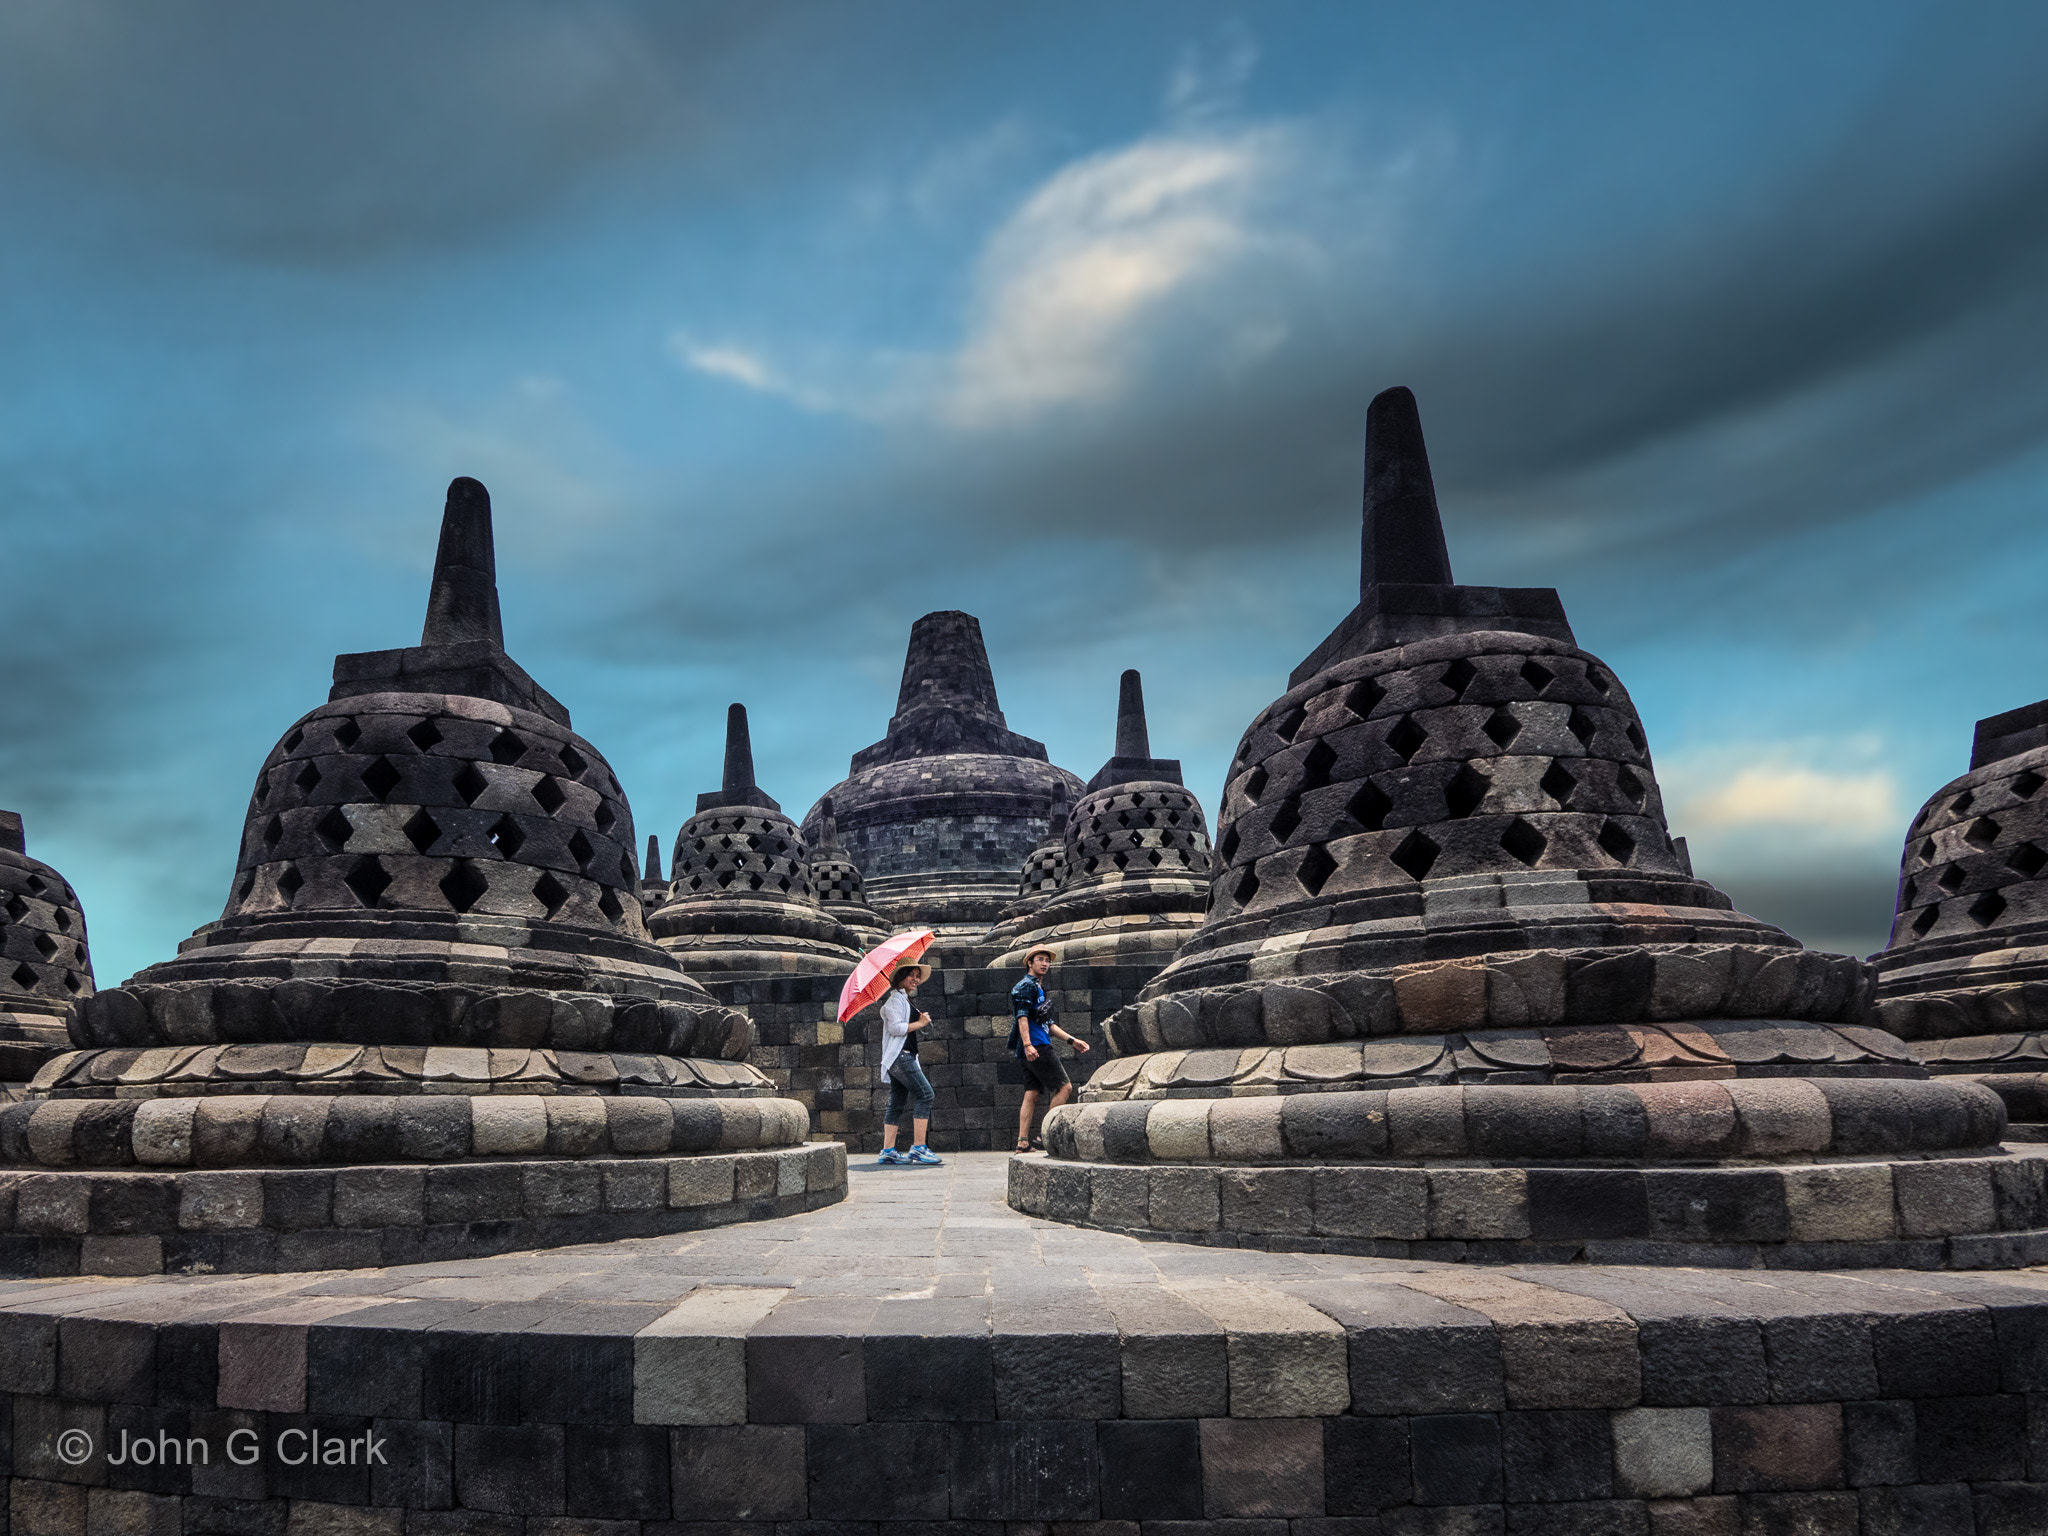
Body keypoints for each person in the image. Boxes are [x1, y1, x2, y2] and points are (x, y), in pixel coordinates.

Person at [1010, 944, 1089, 1152]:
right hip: (1036, 1046)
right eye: (1040, 960)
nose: (1045, 964)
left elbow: (1048, 1024)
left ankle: (1023, 1141)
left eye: (1047, 960)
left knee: (1032, 1092)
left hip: (1032, 1046)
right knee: (1065, 1087)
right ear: (1030, 962)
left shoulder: (1037, 988)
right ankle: (1044, 1136)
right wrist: (1028, 1044)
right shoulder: (1026, 986)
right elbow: (1022, 1016)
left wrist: (1072, 1040)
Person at [877, 962, 942, 1166]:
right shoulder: (894, 1000)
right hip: (900, 1057)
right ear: (899, 978)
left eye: (917, 976)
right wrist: (920, 1023)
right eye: (911, 975)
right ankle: (919, 1148)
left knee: (896, 1103)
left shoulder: (904, 999)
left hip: (903, 1056)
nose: (915, 979)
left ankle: (888, 1150)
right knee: (926, 1094)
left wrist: (919, 1020)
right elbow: (896, 1028)